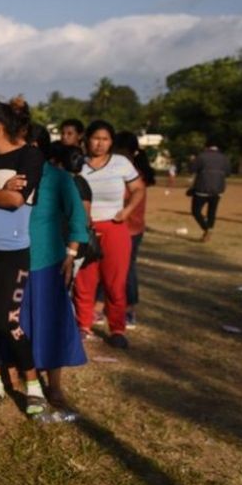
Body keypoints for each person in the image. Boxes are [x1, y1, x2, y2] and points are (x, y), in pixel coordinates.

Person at [0, 98, 47, 416]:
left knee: (7, 320)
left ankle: (32, 384)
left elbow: (15, 199)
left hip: (13, 253)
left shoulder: (30, 155)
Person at [17, 126, 89, 413]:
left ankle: (54, 383)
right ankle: (19, 375)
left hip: (48, 262)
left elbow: (77, 219)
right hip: (15, 260)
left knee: (52, 323)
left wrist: (71, 255)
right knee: (17, 322)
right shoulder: (11, 177)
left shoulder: (58, 179)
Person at [73, 120, 146, 349]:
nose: (100, 143)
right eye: (96, 138)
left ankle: (117, 328)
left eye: (105, 139)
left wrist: (126, 211)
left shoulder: (121, 163)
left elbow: (138, 188)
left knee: (115, 282)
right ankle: (82, 326)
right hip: (87, 229)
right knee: (84, 281)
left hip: (114, 228)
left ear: (111, 142)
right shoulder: (78, 164)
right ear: (87, 140)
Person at [114, 132, 155, 326]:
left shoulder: (133, 174)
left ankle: (129, 309)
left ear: (132, 153)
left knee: (128, 269)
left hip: (130, 229)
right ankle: (100, 305)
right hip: (117, 227)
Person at [189, 144, 232, 242]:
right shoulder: (225, 158)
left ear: (207, 147)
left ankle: (206, 228)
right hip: (218, 189)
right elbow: (228, 173)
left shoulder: (201, 156)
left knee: (196, 211)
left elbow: (192, 169)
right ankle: (209, 229)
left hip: (202, 188)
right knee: (212, 212)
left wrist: (192, 160)